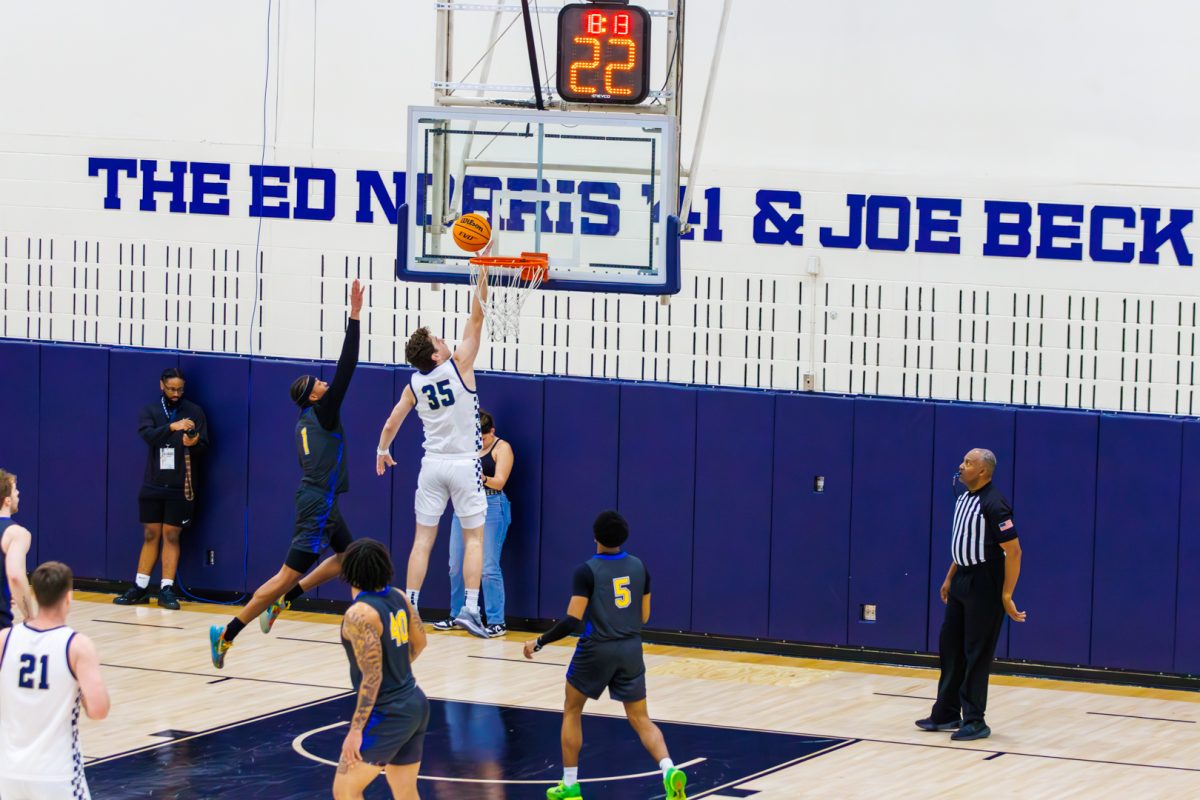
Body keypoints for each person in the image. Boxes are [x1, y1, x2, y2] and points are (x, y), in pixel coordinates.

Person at [209, 279, 365, 668]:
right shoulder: (323, 412)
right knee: (283, 574)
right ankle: (227, 632)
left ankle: (283, 602)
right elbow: (347, 369)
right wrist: (355, 316)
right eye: (319, 383)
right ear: (314, 396)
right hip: (316, 503)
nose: (326, 382)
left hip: (321, 500)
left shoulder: (307, 420)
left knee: (349, 558)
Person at [524, 511, 687, 800]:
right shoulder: (640, 567)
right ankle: (669, 769)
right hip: (631, 649)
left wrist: (540, 641)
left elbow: (573, 620)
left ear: (595, 537)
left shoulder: (586, 571)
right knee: (640, 718)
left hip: (596, 648)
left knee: (572, 710)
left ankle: (571, 785)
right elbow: (645, 617)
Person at [375, 270, 490, 638]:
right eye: (438, 337)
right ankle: (471, 609)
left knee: (422, 540)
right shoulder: (458, 366)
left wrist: (382, 449)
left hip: (432, 466)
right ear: (437, 353)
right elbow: (477, 317)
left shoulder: (414, 383)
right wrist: (483, 272)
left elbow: (392, 421)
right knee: (474, 539)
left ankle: (409, 608)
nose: (443, 338)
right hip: (464, 464)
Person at [917, 448, 1026, 741]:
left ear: (983, 472)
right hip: (962, 579)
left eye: (968, 463)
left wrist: (1007, 595)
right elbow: (965, 542)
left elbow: (1013, 551)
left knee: (976, 653)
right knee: (950, 646)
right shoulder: (964, 498)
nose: (961, 465)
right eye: (963, 460)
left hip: (985, 583)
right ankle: (946, 711)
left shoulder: (995, 504)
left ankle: (975, 720)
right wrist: (950, 577)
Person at [0, 561, 110, 800]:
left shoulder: (4, 639)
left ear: (35, 594)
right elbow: (99, 710)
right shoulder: (77, 646)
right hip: (56, 773)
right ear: (69, 597)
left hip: (8, 771)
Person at [333, 538, 429, 800]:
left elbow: (372, 678)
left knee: (345, 790)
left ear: (349, 572)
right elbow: (420, 642)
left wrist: (355, 730)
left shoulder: (359, 614)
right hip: (414, 702)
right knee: (405, 790)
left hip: (389, 711)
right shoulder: (398, 596)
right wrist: (396, 668)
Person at [114, 367, 208, 610]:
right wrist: (172, 428)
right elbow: (149, 436)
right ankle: (141, 587)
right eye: (171, 389)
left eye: (180, 389)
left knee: (171, 535)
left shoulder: (194, 411)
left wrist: (193, 442)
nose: (176, 393)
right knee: (150, 534)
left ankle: (166, 588)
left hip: (181, 485)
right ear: (162, 386)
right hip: (153, 483)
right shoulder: (151, 411)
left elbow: (204, 447)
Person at [432, 409, 513, 637]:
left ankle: (497, 620)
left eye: (483, 438)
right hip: (465, 506)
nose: (479, 441)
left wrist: (481, 477)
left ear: (492, 432)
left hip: (492, 505)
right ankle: (458, 614)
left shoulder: (502, 448)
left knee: (488, 567)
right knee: (456, 565)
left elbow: (499, 482)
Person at [0, 470, 33, 627]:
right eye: (15, 490)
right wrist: (30, 617)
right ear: (7, 500)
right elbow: (15, 576)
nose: (18, 493)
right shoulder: (16, 533)